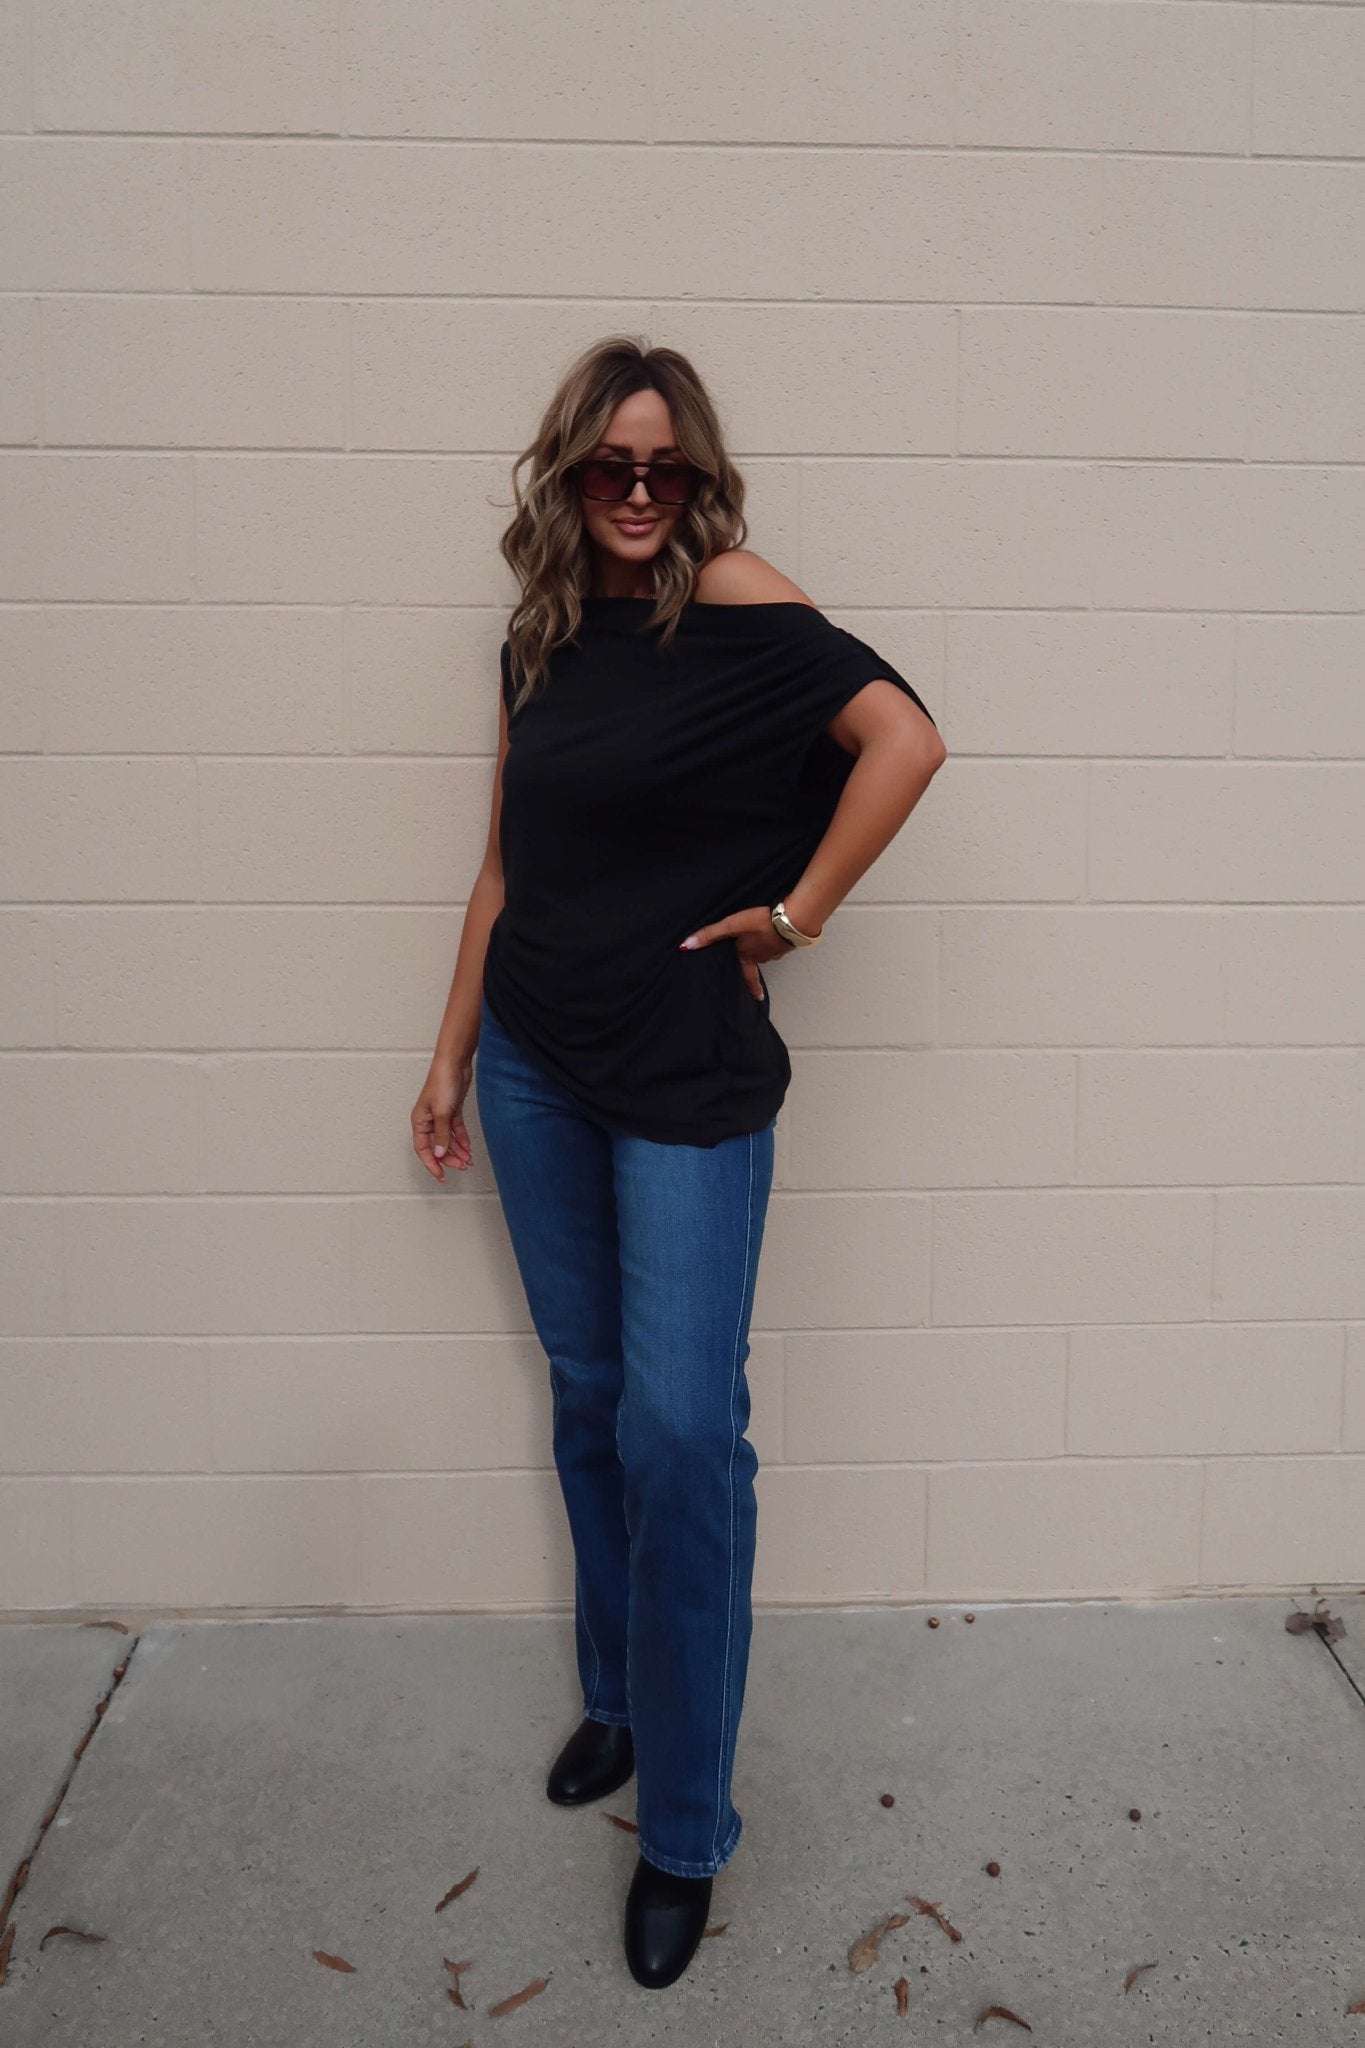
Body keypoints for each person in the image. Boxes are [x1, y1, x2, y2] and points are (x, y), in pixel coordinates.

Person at [410, 336, 946, 1990]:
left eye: (663, 470)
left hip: (686, 1078)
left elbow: (906, 743)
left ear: (694, 479)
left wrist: (794, 916)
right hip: (534, 1065)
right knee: (586, 1398)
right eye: (607, 469)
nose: (637, 496)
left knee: (683, 1433)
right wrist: (447, 1049)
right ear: (566, 475)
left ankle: (689, 1831)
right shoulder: (538, 640)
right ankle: (623, 1703)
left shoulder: (738, 601)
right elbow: (509, 854)